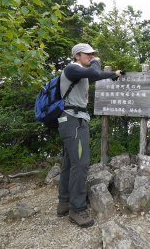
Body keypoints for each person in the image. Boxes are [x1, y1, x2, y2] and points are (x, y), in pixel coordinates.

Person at [56, 43, 122, 228]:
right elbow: (94, 73)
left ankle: (64, 203)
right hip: (73, 121)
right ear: (77, 55)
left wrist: (114, 75)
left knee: (70, 163)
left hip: (73, 121)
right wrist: (98, 62)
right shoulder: (72, 68)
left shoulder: (80, 72)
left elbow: (97, 76)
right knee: (81, 163)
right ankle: (76, 210)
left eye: (93, 54)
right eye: (88, 54)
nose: (92, 57)